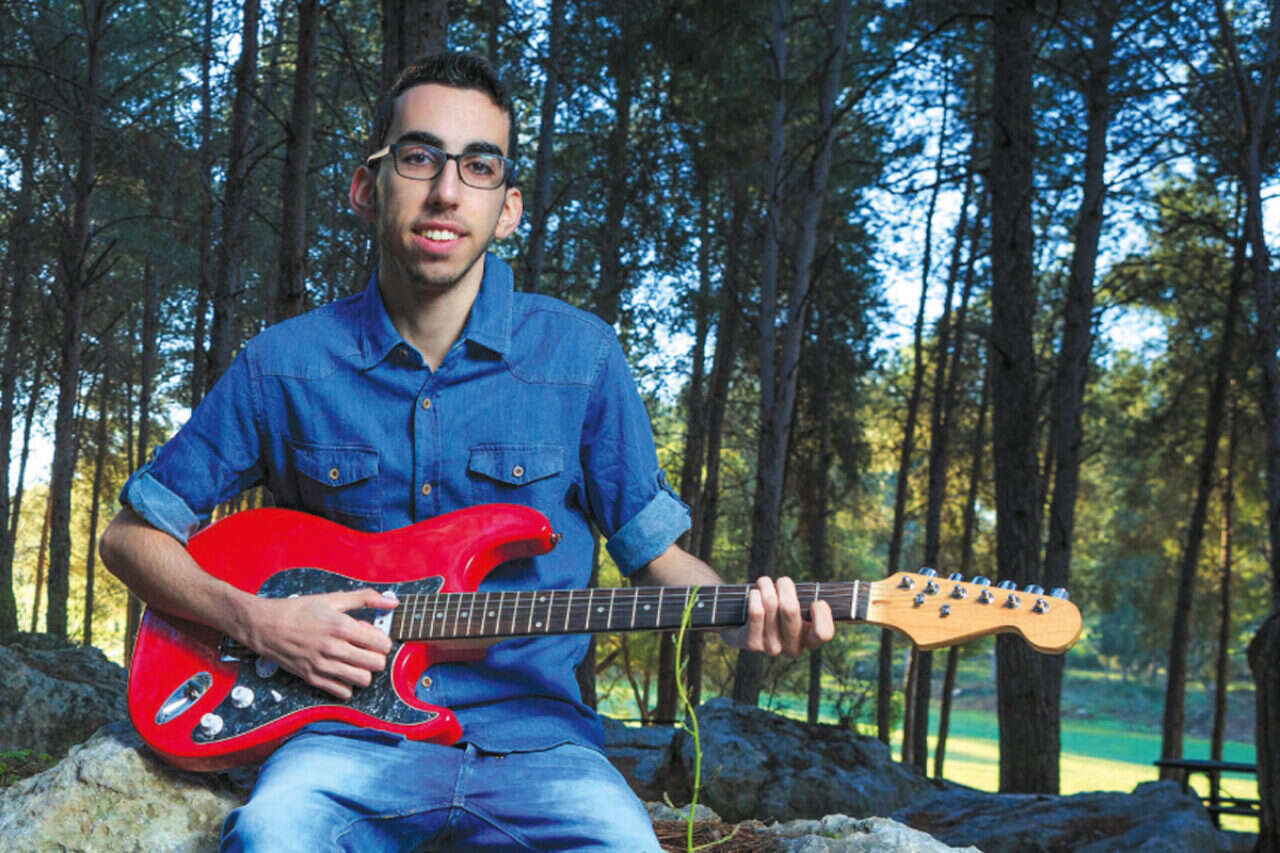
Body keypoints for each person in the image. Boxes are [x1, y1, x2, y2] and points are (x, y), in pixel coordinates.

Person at [100, 51, 835, 852]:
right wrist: (260, 621)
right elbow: (130, 537)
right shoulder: (283, 364)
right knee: (274, 834)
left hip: (542, 746)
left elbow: (657, 560)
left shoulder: (581, 357)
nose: (447, 191)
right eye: (419, 157)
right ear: (366, 187)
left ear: (507, 208)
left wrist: (741, 617)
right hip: (342, 742)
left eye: (478, 166)